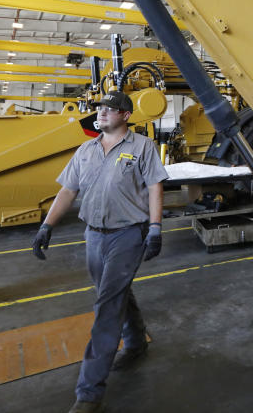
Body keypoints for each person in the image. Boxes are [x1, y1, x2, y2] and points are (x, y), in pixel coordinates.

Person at [31, 90, 169, 413]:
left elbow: (155, 188)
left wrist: (156, 228)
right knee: (114, 293)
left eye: (110, 108)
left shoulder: (142, 148)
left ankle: (89, 392)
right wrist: (46, 226)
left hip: (128, 235)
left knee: (106, 307)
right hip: (93, 235)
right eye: (100, 108)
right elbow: (68, 189)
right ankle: (135, 342)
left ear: (125, 115)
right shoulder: (86, 150)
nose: (102, 112)